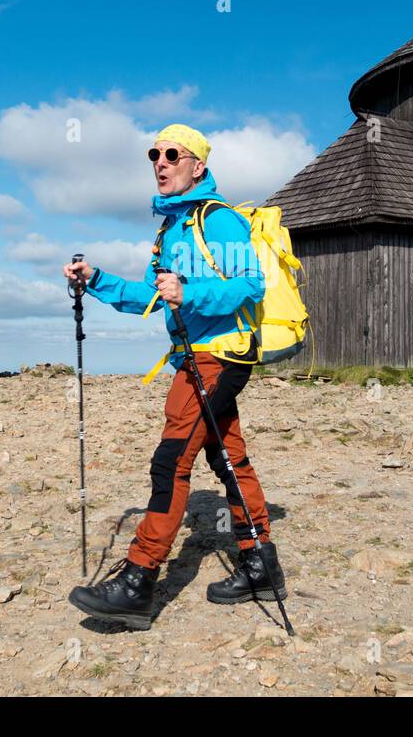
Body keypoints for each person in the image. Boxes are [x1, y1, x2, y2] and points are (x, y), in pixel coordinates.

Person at [63, 123, 285, 631]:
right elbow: (148, 297)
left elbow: (250, 285)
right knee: (228, 454)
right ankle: (259, 565)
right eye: (155, 156)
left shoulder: (218, 220)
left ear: (197, 167)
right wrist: (95, 280)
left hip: (221, 354)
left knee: (171, 461)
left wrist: (191, 294)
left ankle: (139, 581)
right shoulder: (169, 229)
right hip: (194, 355)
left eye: (172, 155)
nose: (160, 163)